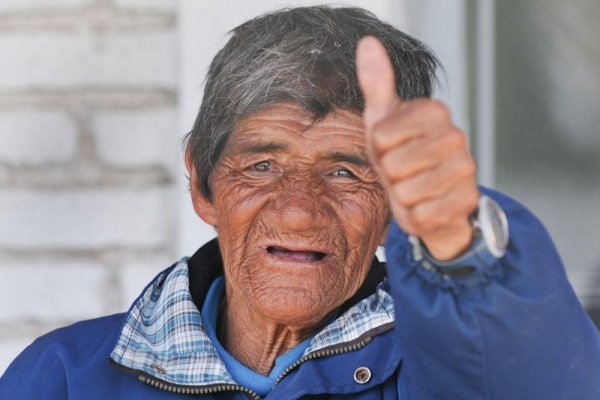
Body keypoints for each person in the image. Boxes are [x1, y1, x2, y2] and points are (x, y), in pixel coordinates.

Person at [1, 6, 599, 399]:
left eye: (345, 171)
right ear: (203, 184)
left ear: (393, 204)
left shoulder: (450, 367)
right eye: (262, 166)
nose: (298, 211)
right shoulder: (66, 377)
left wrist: (460, 239)